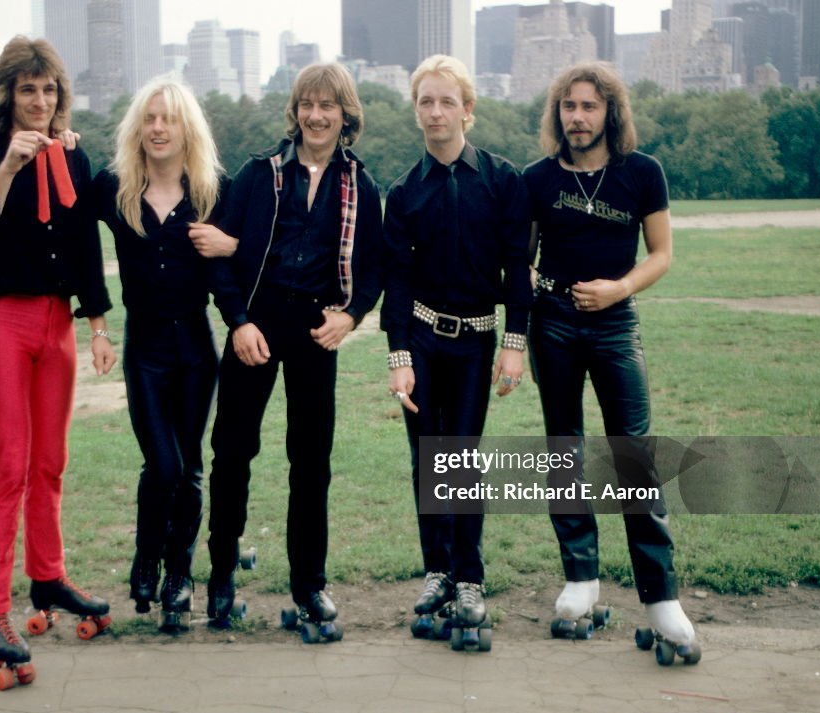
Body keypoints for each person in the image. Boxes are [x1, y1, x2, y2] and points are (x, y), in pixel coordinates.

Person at [0, 37, 115, 675]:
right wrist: (8, 171)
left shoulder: (71, 158)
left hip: (56, 322)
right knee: (9, 465)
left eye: (48, 90)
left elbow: (81, 246)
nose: (39, 101)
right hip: (4, 318)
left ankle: (48, 579)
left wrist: (97, 323)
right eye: (27, 90)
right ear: (7, 97)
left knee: (50, 462)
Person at [523, 62, 698, 658]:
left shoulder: (641, 173)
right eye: (568, 107)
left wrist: (618, 289)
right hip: (553, 323)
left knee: (633, 451)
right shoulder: (537, 178)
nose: (577, 117)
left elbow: (662, 254)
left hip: (615, 323)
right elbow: (519, 259)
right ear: (558, 114)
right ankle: (581, 578)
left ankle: (660, 595)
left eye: (589, 106)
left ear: (610, 113)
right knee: (563, 447)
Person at [205, 63, 383, 631]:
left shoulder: (361, 184)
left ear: (344, 114)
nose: (316, 115)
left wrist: (351, 316)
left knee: (311, 464)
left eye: (328, 105)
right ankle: (221, 574)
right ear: (295, 111)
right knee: (232, 452)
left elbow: (377, 266)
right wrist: (236, 321)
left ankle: (309, 584)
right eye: (307, 104)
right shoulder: (260, 174)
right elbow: (222, 258)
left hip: (315, 330)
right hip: (255, 325)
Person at [380, 54, 531, 638]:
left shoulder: (501, 180)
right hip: (420, 338)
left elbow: (518, 269)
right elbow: (397, 281)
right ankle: (436, 570)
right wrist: (399, 358)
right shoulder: (404, 191)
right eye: (426, 101)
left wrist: (513, 343)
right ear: (416, 111)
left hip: (475, 342)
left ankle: (469, 576)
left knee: (461, 460)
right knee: (426, 460)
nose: (436, 111)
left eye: (447, 101)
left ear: (467, 109)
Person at [93, 78, 234, 628]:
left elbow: (253, 251)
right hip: (145, 347)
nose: (157, 128)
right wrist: (98, 322)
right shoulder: (114, 189)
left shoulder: (211, 191)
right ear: (138, 127)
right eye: (149, 118)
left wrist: (233, 245)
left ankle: (179, 574)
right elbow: (77, 241)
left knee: (190, 468)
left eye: (168, 119)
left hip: (197, 347)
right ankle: (146, 557)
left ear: (185, 129)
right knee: (163, 463)